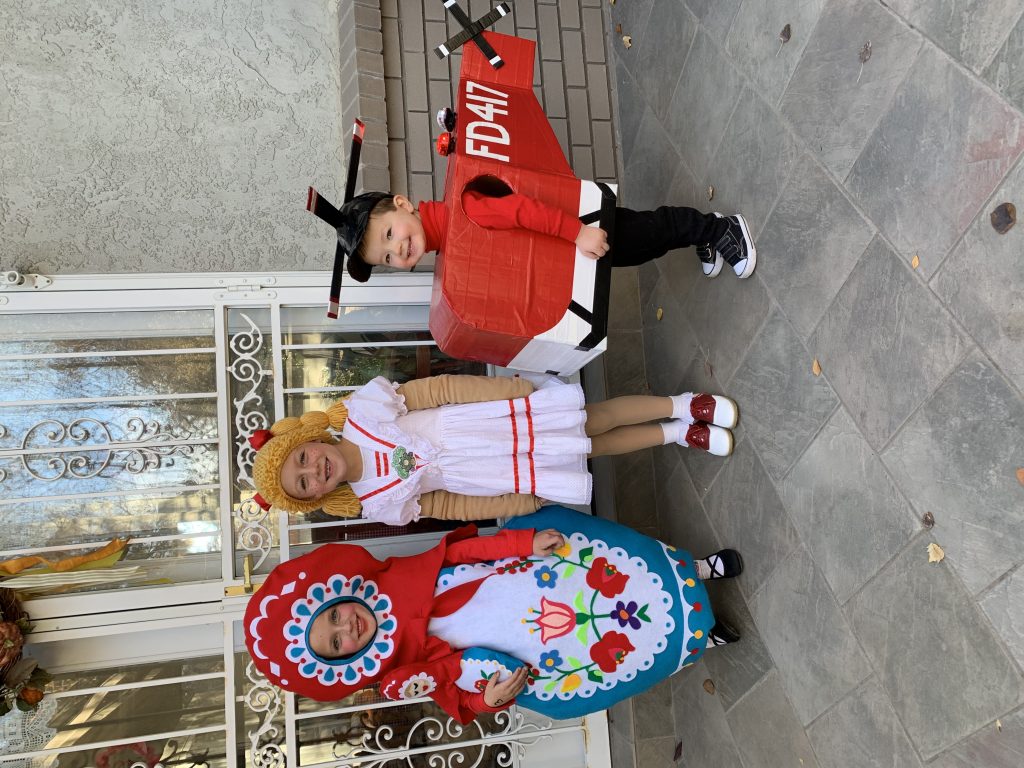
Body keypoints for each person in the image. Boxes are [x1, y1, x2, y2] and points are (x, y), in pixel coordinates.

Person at [244, 505, 744, 723]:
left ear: (333, 596)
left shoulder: (401, 577)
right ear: (341, 662)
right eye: (336, 642)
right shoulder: (402, 674)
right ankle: (695, 639)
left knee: (611, 569)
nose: (346, 627)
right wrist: (487, 700)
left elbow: (466, 554)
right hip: (537, 652)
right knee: (611, 652)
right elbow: (457, 693)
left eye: (333, 617)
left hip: (535, 579)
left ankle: (698, 568)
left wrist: (522, 543)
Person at [248, 373, 739, 522]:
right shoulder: (378, 503)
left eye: (303, 460)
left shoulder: (364, 412)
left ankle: (680, 403)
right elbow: (447, 505)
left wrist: (506, 392)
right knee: (592, 449)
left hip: (492, 422)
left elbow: (439, 390)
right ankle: (676, 434)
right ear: (315, 498)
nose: (314, 470)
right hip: (491, 474)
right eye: (304, 484)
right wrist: (512, 504)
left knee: (593, 419)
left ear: (307, 440)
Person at [329, 189, 755, 283]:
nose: (397, 249)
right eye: (387, 257)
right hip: (568, 251)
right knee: (642, 249)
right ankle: (701, 235)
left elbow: (522, 210)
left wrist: (578, 232)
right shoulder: (449, 247)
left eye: (389, 234)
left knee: (648, 231)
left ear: (403, 204)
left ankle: (721, 228)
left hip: (576, 229)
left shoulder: (464, 211)